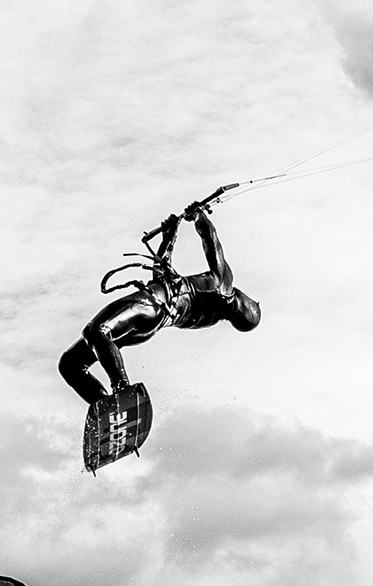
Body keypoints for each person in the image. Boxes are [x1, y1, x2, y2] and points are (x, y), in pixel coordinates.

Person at [59, 198, 261, 468]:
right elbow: (162, 275)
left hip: (151, 307)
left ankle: (122, 390)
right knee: (71, 364)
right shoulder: (210, 315)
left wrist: (199, 215)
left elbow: (211, 240)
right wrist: (170, 236)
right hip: (151, 321)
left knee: (97, 331)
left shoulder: (224, 289)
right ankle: (109, 409)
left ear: (243, 304)